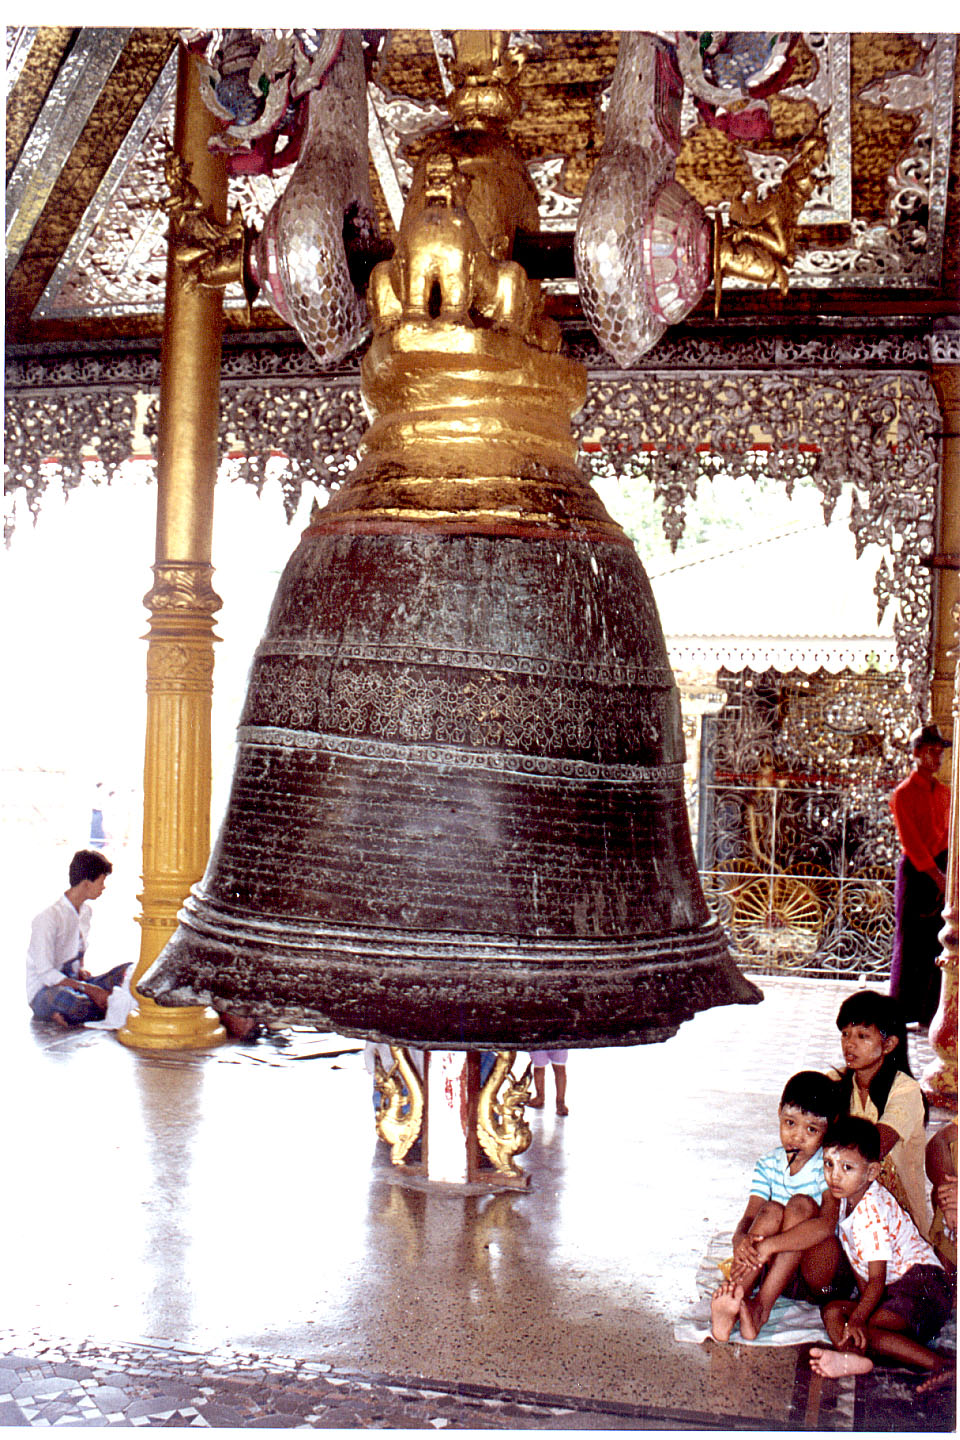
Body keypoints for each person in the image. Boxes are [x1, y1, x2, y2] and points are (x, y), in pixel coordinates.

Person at [754, 1117, 953, 1385]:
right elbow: (864, 1275)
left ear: (871, 1173)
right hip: (891, 1291)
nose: (834, 1175)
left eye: (847, 1167)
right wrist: (860, 1311)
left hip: (922, 1288)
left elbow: (876, 1278)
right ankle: (851, 1354)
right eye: (828, 1164)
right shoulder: (849, 1199)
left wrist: (860, 1317)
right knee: (833, 1311)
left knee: (866, 1330)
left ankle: (942, 1365)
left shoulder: (870, 1212)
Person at [710, 1071, 846, 1343]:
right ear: (779, 1115)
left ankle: (761, 1308)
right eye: (790, 1123)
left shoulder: (828, 1165)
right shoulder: (768, 1163)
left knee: (800, 1206)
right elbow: (750, 1216)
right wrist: (741, 1240)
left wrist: (770, 1246)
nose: (796, 1137)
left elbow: (826, 1224)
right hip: (779, 1275)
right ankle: (736, 1300)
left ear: (829, 1127)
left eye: (811, 1129)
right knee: (770, 1210)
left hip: (820, 1277)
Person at [827, 990, 929, 1238]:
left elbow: (873, 1148)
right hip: (843, 1199)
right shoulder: (834, 1083)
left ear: (889, 1044)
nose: (849, 1044)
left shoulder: (905, 1090)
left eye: (863, 1036)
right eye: (845, 1034)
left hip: (895, 1217)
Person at [889, 723, 951, 1027]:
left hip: (941, 866)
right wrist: (936, 876)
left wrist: (947, 874)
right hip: (916, 872)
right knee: (910, 941)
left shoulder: (945, 793)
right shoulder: (902, 794)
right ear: (915, 754)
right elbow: (911, 841)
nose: (937, 758)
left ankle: (930, 1013)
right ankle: (901, 1012)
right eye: (931, 752)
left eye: (940, 753)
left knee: (936, 941)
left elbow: (949, 834)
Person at [26, 849, 130, 1027]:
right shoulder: (47, 918)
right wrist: (90, 989)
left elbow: (75, 955)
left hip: (76, 984)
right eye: (101, 881)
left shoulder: (85, 913)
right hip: (46, 991)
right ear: (86, 884)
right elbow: (45, 974)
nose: (103, 887)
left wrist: (81, 973)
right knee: (76, 1003)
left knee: (128, 971)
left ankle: (105, 1007)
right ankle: (114, 1007)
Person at [527, 1049, 568, 1115]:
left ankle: (560, 1102)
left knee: (560, 1069)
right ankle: (540, 1096)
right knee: (538, 1068)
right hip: (538, 1041)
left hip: (558, 1041)